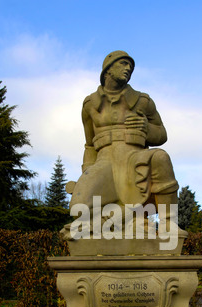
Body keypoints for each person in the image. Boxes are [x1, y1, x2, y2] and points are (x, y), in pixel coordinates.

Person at [67, 50, 179, 236]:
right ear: (108, 70)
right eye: (123, 64)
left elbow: (162, 134)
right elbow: (89, 145)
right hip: (105, 162)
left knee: (161, 157)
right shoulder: (89, 105)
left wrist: (146, 127)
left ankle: (169, 224)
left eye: (131, 66)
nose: (128, 68)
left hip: (135, 157)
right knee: (79, 210)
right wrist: (85, 173)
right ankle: (126, 219)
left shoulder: (143, 101)